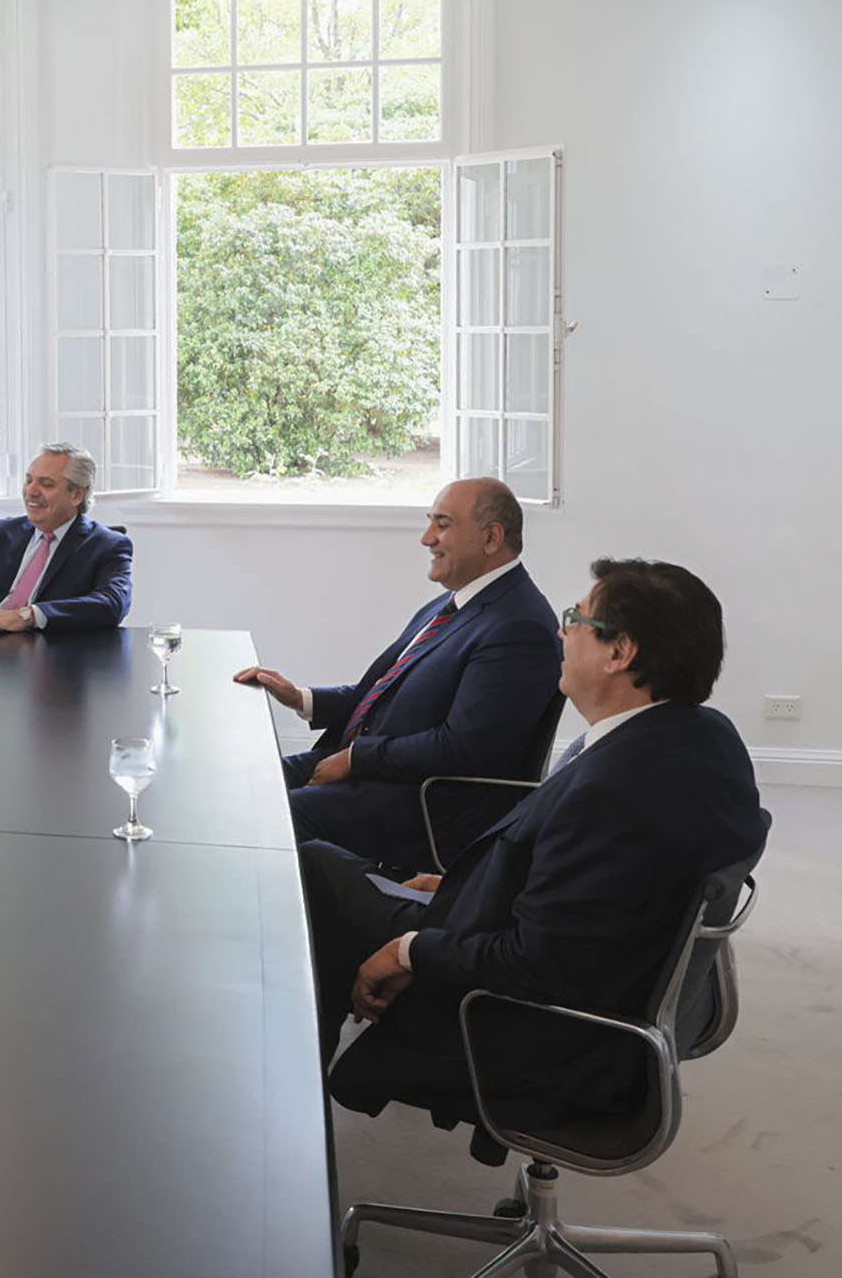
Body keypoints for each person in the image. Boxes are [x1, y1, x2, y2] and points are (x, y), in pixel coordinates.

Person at [300, 559, 768, 1125]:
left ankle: (292, 1115)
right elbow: (598, 894)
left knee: (311, 873)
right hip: (589, 979)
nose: (561, 631)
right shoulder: (707, 737)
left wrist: (407, 950)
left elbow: (535, 964)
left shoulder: (610, 791)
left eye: (577, 618)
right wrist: (460, 885)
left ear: (620, 653)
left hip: (532, 1034)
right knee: (325, 863)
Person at [234, 478, 559, 869]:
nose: (427, 538)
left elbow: (464, 749)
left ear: (491, 538)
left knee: (268, 817)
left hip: (422, 803)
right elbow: (394, 692)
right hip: (376, 771)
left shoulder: (519, 627)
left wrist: (357, 758)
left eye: (442, 524)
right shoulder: (456, 602)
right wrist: (302, 698)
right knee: (244, 781)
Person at [0, 442, 132, 636]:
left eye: (46, 484)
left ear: (77, 495)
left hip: (49, 658)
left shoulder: (107, 545)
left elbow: (112, 604)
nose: (31, 491)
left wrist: (27, 616)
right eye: (29, 480)